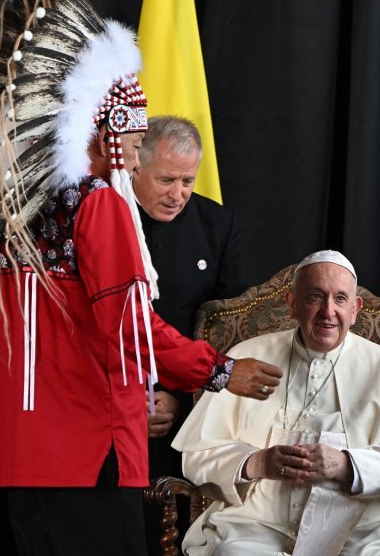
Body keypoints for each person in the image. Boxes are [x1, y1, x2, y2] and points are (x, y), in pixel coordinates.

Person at [0, 0, 281, 555]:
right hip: (87, 448)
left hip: (18, 450)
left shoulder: (10, 211)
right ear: (106, 135)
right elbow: (128, 328)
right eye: (130, 139)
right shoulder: (96, 203)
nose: (132, 153)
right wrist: (219, 371)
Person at [172, 250, 380, 555]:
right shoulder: (246, 358)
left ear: (355, 310)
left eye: (340, 299)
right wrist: (257, 462)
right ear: (292, 304)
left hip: (358, 530)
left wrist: (347, 465)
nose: (328, 311)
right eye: (315, 296)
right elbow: (197, 455)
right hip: (255, 524)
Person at [134, 115, 247, 553]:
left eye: (187, 180)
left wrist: (181, 397)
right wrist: (133, 399)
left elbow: (230, 325)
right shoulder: (107, 218)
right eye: (166, 179)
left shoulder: (217, 225)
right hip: (111, 400)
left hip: (189, 406)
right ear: (135, 167)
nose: (178, 193)